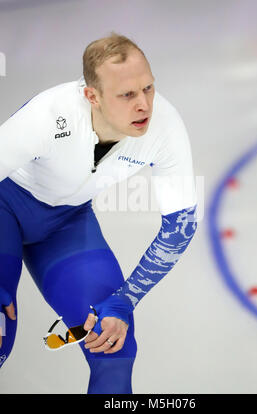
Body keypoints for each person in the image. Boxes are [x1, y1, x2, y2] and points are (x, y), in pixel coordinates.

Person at [0, 32, 198, 394]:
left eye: (148, 88)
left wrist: (126, 298)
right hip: (3, 207)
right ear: (92, 96)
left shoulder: (165, 127)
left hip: (66, 225)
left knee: (113, 345)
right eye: (127, 94)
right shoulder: (50, 115)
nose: (144, 105)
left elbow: (180, 227)